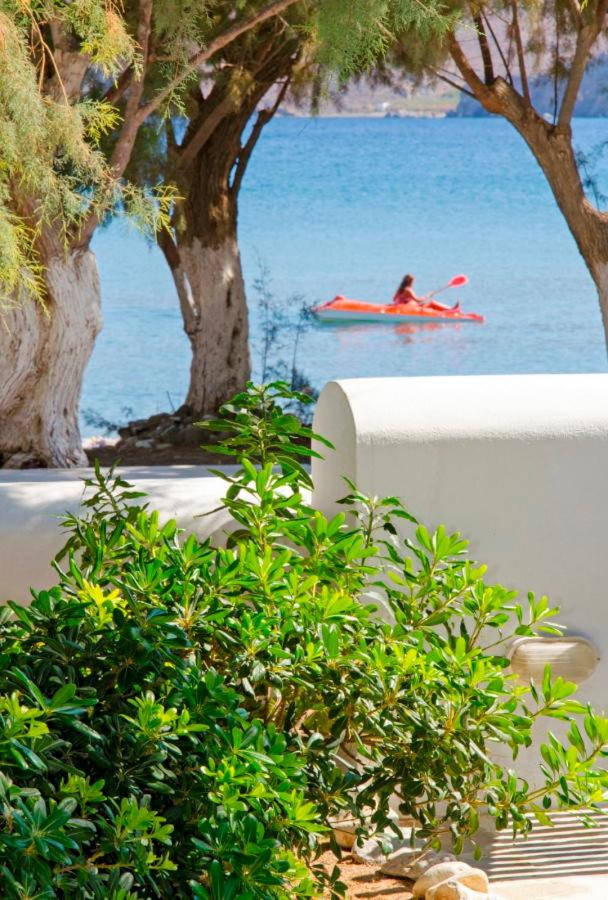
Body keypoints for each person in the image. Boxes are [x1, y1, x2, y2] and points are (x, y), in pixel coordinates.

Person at [392, 274, 459, 311]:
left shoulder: (399, 290)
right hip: (408, 309)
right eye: (413, 282)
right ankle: (451, 310)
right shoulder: (408, 290)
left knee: (424, 303)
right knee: (432, 303)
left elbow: (394, 299)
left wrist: (425, 297)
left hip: (402, 307)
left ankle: (448, 310)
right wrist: (428, 296)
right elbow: (418, 300)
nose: (413, 284)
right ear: (410, 282)